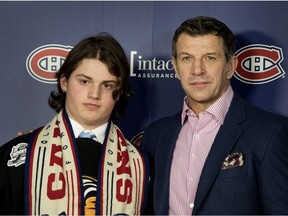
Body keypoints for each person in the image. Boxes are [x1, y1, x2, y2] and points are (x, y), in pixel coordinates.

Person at [141, 16, 288, 215]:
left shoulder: (269, 132)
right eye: (187, 58)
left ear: (231, 66)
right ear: (175, 67)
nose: (197, 70)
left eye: (210, 57)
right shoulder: (155, 136)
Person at [0, 33, 149, 215]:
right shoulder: (18, 156)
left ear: (118, 93)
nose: (95, 94)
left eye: (107, 85)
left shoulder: (139, 165)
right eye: (85, 81)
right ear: (64, 82)